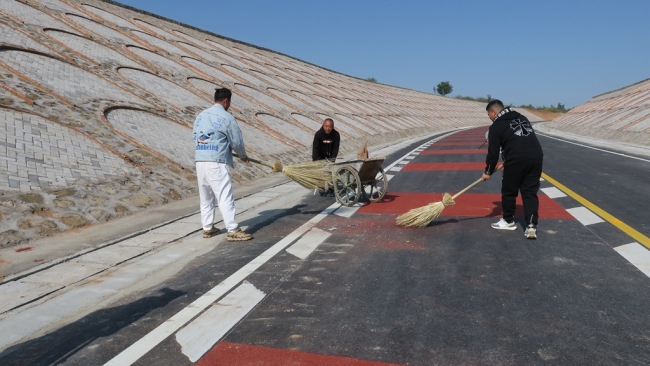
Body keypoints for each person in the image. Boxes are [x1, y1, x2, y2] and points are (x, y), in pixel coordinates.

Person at [192, 88, 252, 241]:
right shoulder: (227, 118)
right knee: (224, 196)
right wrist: (243, 155)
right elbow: (236, 141)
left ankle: (208, 228)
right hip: (216, 162)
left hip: (200, 160)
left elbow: (195, 136)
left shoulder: (201, 115)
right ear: (226, 101)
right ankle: (232, 229)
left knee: (206, 196)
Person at [481, 100, 543, 239]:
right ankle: (531, 226)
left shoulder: (496, 126)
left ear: (494, 112)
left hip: (516, 159)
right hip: (536, 157)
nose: (490, 118)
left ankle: (508, 221)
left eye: (489, 115)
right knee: (529, 192)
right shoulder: (522, 117)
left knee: (509, 191)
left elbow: (493, 153)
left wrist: (487, 172)